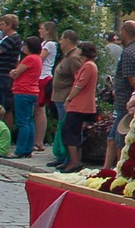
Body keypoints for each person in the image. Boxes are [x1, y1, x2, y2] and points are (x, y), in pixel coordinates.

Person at [106, 21, 135, 169]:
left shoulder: (128, 53)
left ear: (124, 32)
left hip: (126, 103)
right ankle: (106, 169)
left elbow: (133, 80)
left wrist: (134, 98)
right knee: (112, 138)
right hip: (133, 101)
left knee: (120, 139)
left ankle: (119, 168)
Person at [59, 40, 100, 175]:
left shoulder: (89, 66)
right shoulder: (88, 65)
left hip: (80, 104)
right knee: (73, 131)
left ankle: (74, 161)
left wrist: (69, 98)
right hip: (79, 104)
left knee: (70, 131)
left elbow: (79, 85)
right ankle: (73, 160)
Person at [46, 29, 80, 169]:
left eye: (61, 39)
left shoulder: (74, 57)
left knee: (66, 127)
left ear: (67, 40)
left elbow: (78, 78)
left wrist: (71, 97)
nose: (60, 42)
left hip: (66, 98)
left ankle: (68, 158)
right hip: (59, 97)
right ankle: (61, 155)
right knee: (62, 126)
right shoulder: (68, 56)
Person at [9, 36, 44, 158]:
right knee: (29, 121)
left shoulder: (29, 59)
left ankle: (21, 149)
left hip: (23, 91)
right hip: (33, 91)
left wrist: (12, 72)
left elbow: (15, 73)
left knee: (22, 121)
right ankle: (28, 148)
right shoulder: (38, 59)